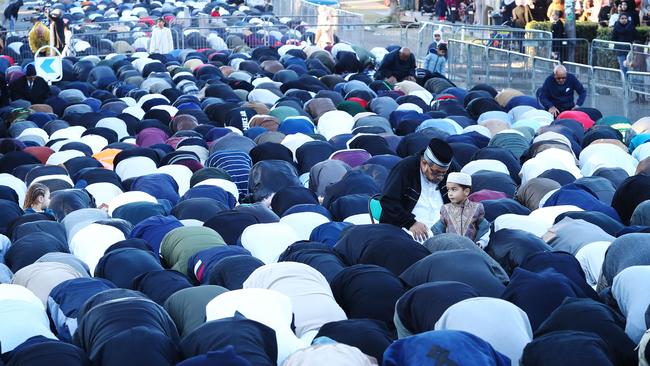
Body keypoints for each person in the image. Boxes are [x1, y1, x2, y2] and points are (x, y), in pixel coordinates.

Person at [380, 138, 457, 242]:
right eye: (436, 172)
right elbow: (388, 201)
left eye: (443, 173)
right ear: (424, 163)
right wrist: (410, 223)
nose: (440, 177)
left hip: (443, 232)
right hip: (407, 231)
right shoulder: (405, 168)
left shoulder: (452, 170)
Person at [432, 172, 488, 246]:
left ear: (466, 191)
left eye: (454, 189)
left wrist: (481, 242)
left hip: (471, 248)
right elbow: (437, 229)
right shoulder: (445, 209)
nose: (450, 193)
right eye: (448, 190)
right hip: (451, 247)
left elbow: (485, 228)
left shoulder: (477, 208)